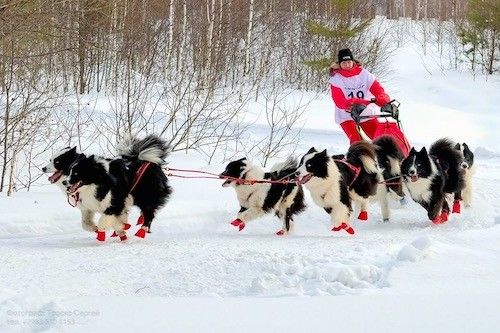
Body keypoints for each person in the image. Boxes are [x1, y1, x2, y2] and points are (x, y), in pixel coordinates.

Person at [329, 48, 391, 144]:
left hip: (365, 112)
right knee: (357, 142)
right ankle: (358, 157)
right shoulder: (336, 79)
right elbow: (339, 102)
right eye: (344, 63)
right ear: (339, 64)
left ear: (353, 61)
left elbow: (378, 90)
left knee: (380, 138)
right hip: (347, 115)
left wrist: (383, 100)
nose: (347, 65)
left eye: (349, 62)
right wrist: (354, 102)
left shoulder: (364, 75)